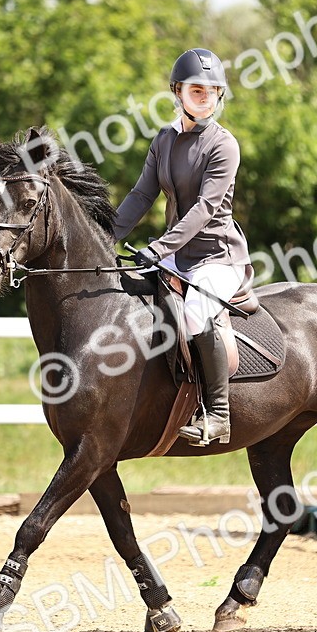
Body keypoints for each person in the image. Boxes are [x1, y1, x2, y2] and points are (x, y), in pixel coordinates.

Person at [112, 48, 250, 446]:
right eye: (195, 89)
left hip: (216, 257)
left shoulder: (224, 146)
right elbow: (141, 195)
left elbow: (206, 209)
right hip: (175, 256)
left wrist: (157, 248)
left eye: (210, 90)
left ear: (219, 95)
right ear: (178, 91)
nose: (203, 95)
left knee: (195, 313)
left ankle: (219, 414)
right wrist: (107, 237)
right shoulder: (164, 140)